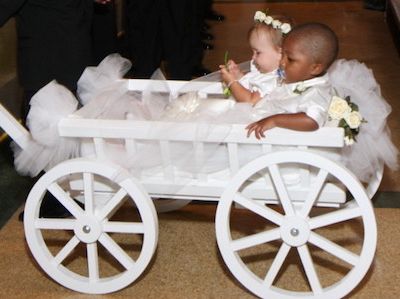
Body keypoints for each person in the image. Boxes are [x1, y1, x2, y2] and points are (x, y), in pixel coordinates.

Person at [246, 22, 339, 139]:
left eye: (290, 59)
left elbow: (311, 120)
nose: (282, 62)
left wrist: (274, 120)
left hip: (285, 142)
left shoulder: (316, 92)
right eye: (283, 55)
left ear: (315, 68)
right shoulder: (298, 78)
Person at [219, 11, 292, 105]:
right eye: (252, 52)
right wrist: (238, 76)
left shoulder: (275, 81)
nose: (253, 57)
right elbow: (251, 84)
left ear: (280, 53)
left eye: (258, 52)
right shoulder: (262, 70)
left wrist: (231, 82)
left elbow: (250, 101)